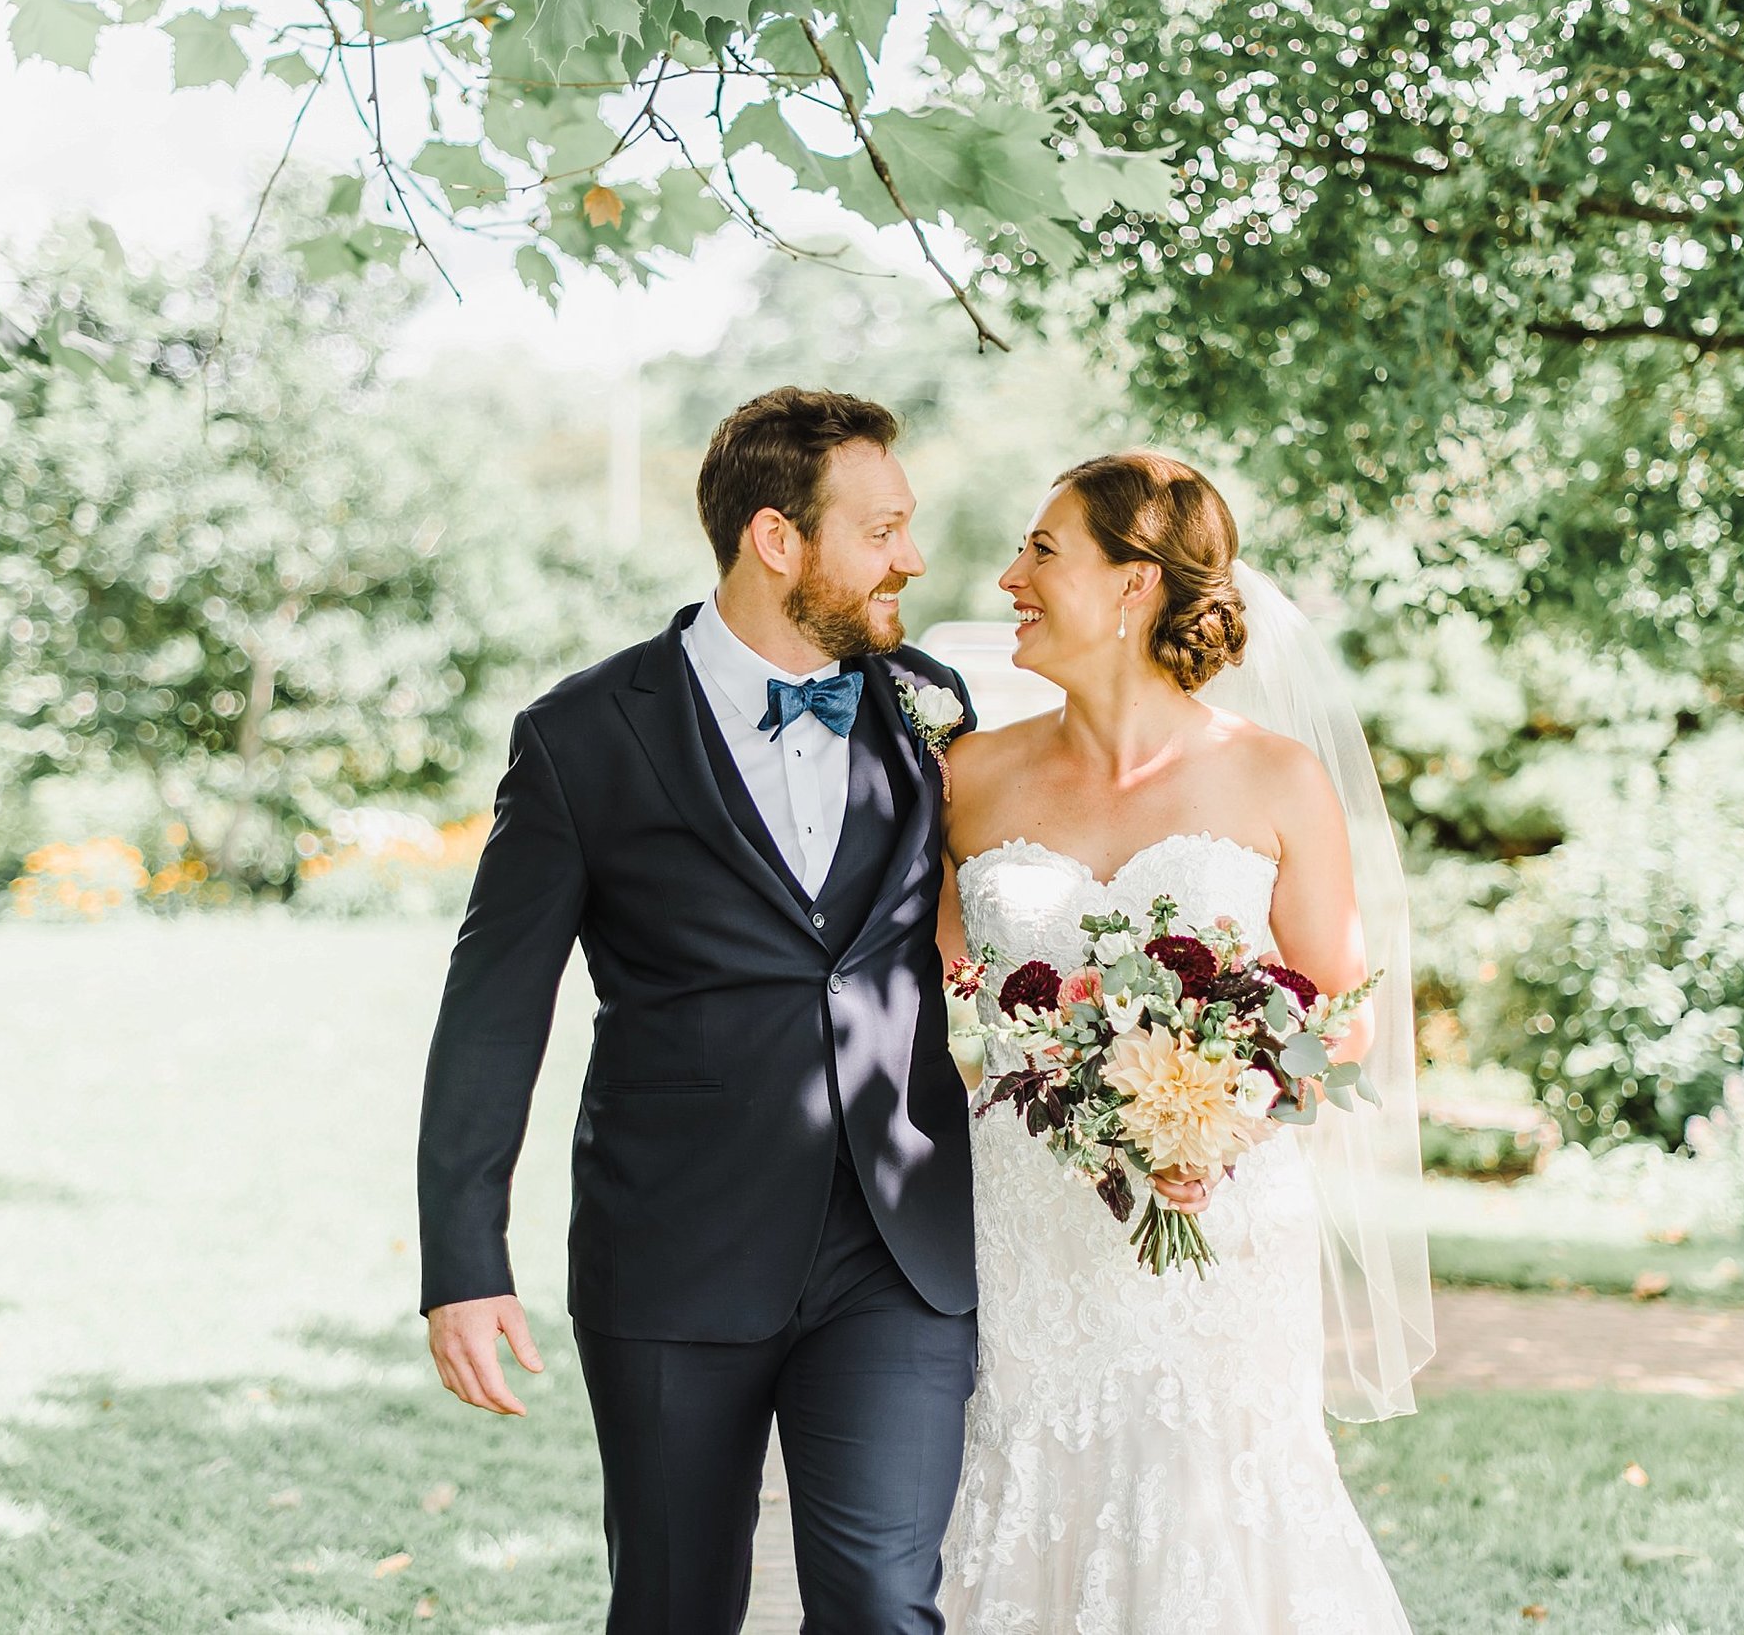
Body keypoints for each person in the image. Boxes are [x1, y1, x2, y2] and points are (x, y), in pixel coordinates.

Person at [415, 387, 981, 1634]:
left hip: (895, 1247)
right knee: (674, 1605)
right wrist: (463, 1262)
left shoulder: (928, 704)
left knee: (887, 1604)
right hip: (675, 1251)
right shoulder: (581, 736)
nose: (912, 556)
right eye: (880, 528)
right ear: (778, 540)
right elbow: (493, 1008)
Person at [935, 451, 1432, 1632]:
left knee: (1218, 1503)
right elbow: (939, 995)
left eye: (1042, 551)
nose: (1009, 576)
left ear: (1133, 584)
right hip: (1027, 1229)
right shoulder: (966, 777)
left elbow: (1341, 1005)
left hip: (1224, 1224)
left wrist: (1213, 1118)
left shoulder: (1273, 774)